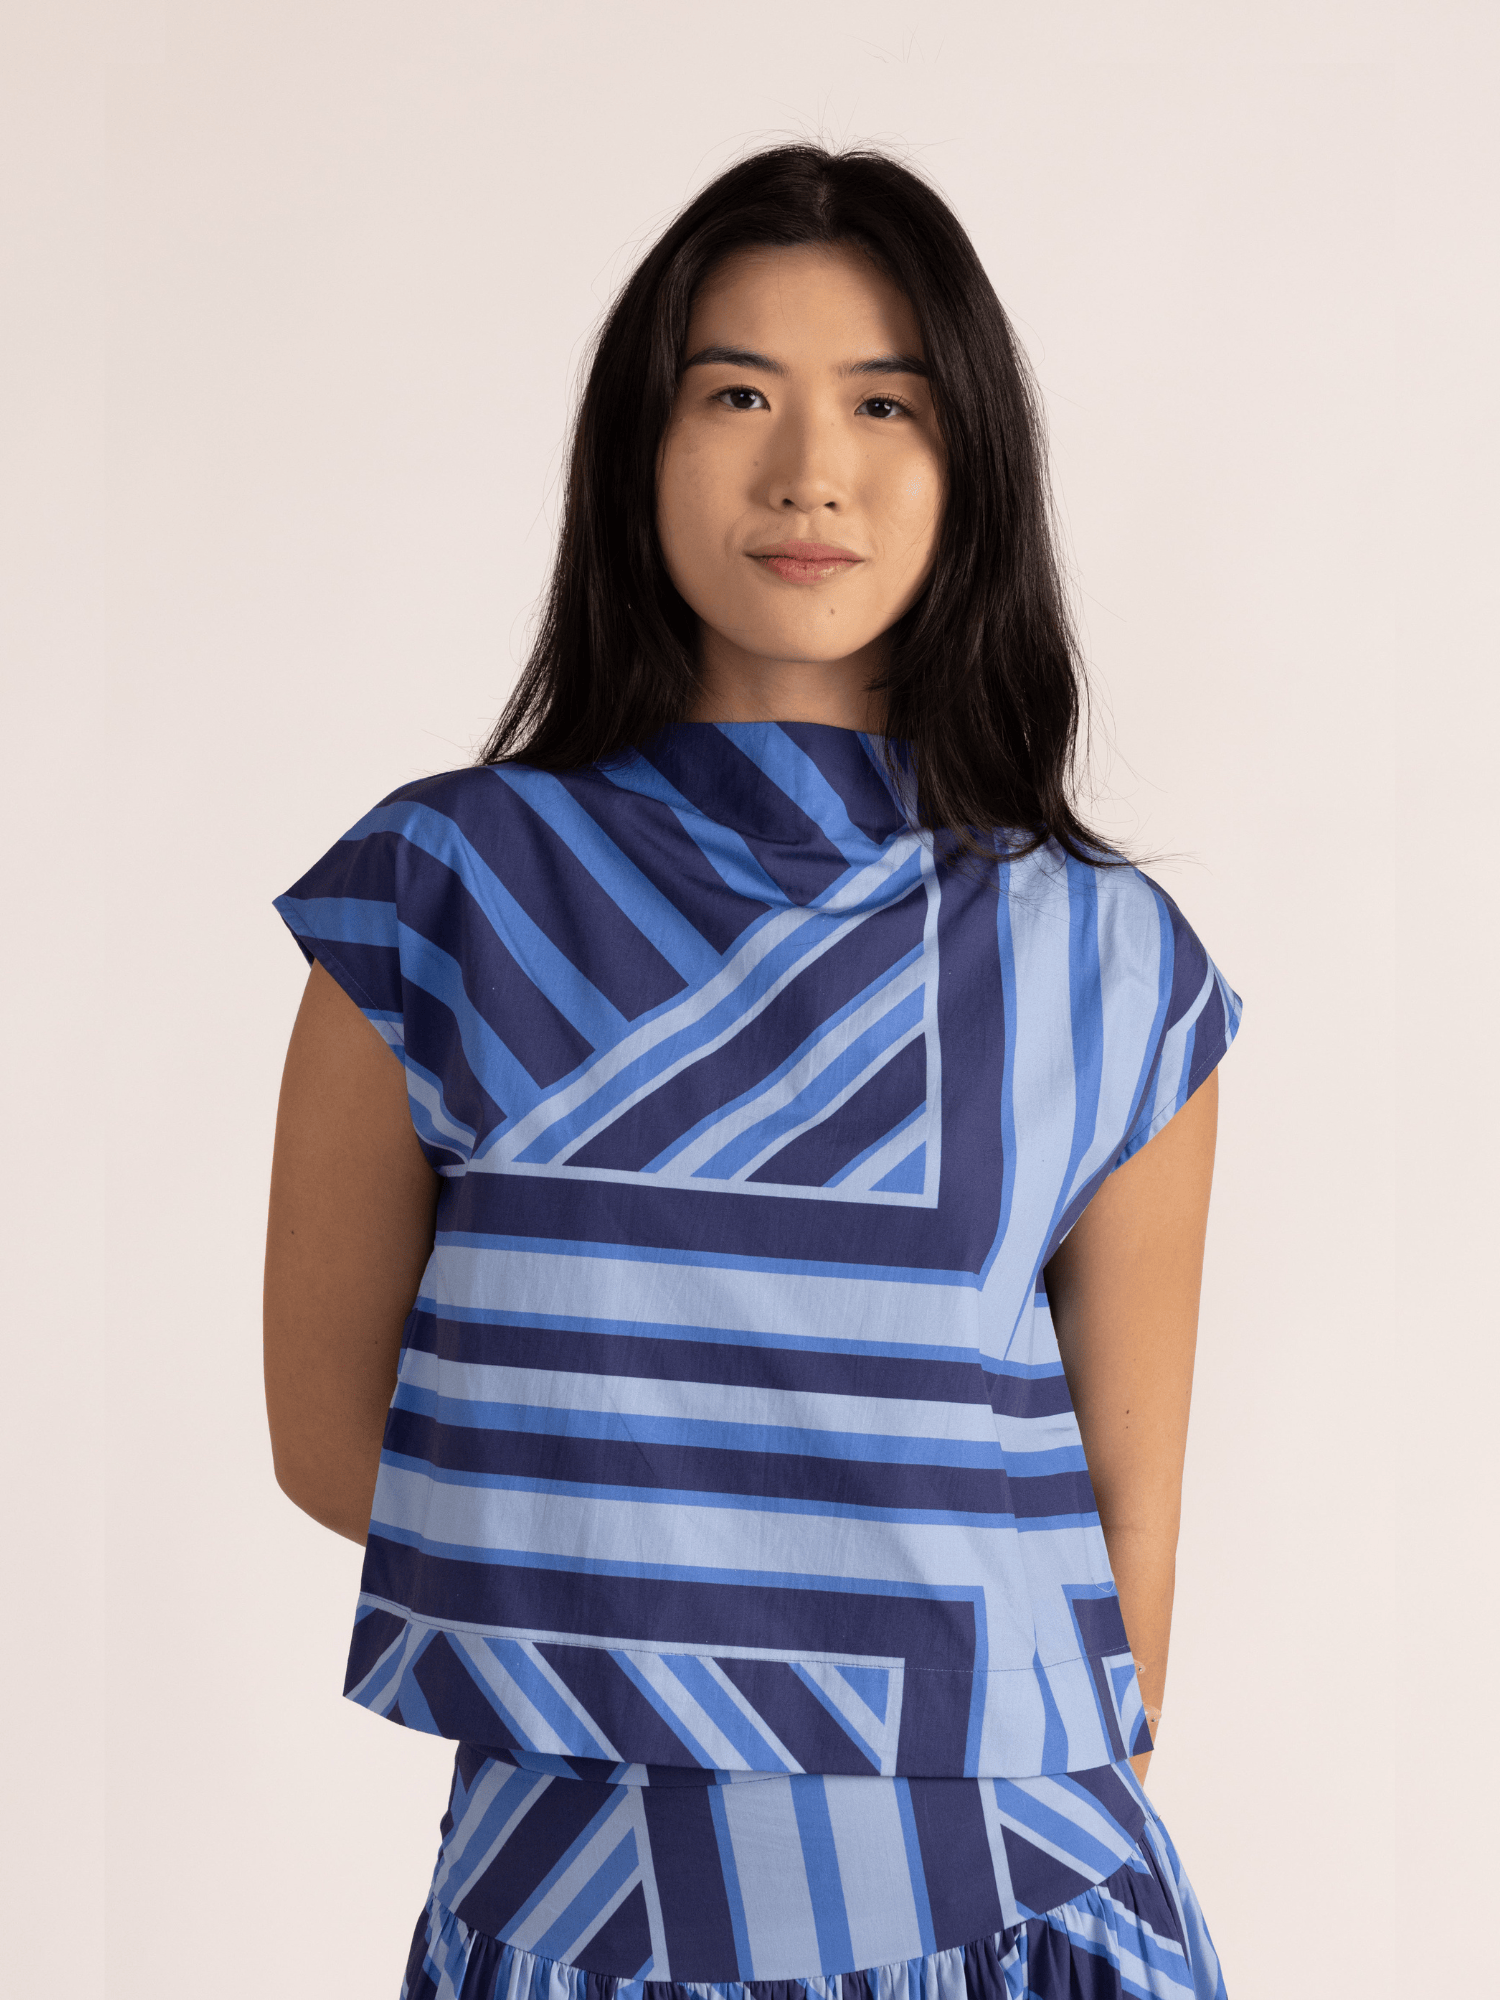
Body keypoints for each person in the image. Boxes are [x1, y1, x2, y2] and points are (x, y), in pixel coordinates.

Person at [265, 144, 1239, 2000]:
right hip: (578, 1892)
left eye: (885, 403)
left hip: (1010, 1892)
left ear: (972, 464)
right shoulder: (444, 894)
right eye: (735, 396)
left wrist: (677, 1552)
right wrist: (764, 1616)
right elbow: (328, 1435)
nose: (809, 471)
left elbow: (1132, 1544)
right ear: (637, 449)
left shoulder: (1106, 963)